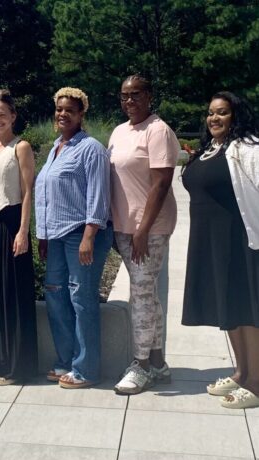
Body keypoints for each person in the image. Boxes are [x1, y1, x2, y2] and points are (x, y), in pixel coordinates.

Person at [181, 91, 259, 409]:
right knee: (230, 306)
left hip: (245, 241)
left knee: (251, 310)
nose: (214, 118)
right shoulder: (210, 149)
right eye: (211, 113)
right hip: (213, 243)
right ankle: (242, 373)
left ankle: (257, 385)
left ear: (236, 116)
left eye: (222, 113)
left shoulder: (250, 148)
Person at [35, 87, 112, 389]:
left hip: (80, 233)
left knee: (81, 298)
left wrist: (89, 236)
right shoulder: (56, 147)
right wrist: (42, 236)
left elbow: (98, 195)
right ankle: (66, 360)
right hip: (55, 236)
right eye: (59, 109)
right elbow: (46, 195)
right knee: (56, 296)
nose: (63, 114)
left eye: (70, 110)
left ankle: (87, 369)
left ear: (81, 114)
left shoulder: (90, 148)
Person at [109, 74, 180, 395]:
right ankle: (158, 362)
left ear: (149, 96)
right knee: (147, 294)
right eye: (124, 96)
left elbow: (162, 183)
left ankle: (139, 365)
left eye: (136, 95)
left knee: (140, 296)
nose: (129, 101)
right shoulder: (120, 131)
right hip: (124, 227)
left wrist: (142, 229)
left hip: (148, 229)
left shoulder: (158, 130)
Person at [0, 89, 38, 386]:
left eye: (3, 114)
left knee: (14, 294)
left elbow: (28, 191)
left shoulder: (21, 147)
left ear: (13, 116)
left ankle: (19, 366)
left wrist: (24, 231)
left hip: (14, 222)